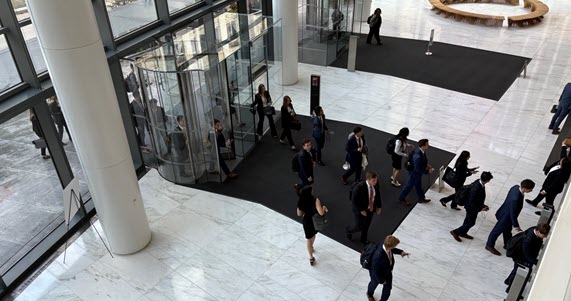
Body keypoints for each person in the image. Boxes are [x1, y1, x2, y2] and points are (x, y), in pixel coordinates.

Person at [485, 179, 535, 256]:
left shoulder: (515, 187)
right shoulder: (515, 199)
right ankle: (489, 245)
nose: (531, 191)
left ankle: (508, 244)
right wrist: (516, 226)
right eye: (530, 189)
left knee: (507, 231)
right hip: (506, 217)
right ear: (524, 188)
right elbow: (513, 213)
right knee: (496, 231)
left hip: (505, 212)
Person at [504, 223, 550, 293]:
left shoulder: (535, 228)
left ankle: (508, 281)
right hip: (520, 256)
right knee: (518, 272)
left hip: (522, 254)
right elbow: (527, 254)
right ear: (538, 232)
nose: (545, 237)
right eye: (544, 235)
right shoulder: (528, 240)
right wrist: (537, 262)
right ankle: (510, 289)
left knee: (516, 269)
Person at [450, 172, 493, 242]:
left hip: (473, 207)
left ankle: (463, 232)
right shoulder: (476, 189)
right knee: (471, 223)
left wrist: (482, 205)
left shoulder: (478, 182)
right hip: (471, 208)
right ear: (487, 180)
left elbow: (478, 198)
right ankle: (455, 232)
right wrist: (481, 208)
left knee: (467, 221)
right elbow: (472, 202)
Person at [367, 235, 410, 301]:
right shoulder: (378, 257)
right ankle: (369, 294)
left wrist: (401, 252)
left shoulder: (386, 244)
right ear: (389, 247)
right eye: (394, 246)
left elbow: (392, 250)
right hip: (377, 275)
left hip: (387, 271)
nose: (395, 247)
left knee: (388, 289)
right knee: (373, 284)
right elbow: (376, 271)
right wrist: (382, 281)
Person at [346, 171, 382, 244]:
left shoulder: (375, 184)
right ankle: (349, 230)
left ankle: (363, 239)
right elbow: (354, 201)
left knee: (367, 225)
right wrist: (361, 210)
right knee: (359, 226)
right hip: (360, 209)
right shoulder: (359, 187)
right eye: (373, 180)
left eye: (376, 180)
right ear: (368, 179)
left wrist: (379, 206)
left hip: (371, 208)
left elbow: (377, 195)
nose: (375, 182)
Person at [296, 186, 328, 266]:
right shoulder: (315, 200)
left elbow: (299, 214)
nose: (312, 191)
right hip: (315, 221)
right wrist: (323, 208)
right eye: (311, 190)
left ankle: (311, 257)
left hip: (307, 221)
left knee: (309, 238)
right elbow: (321, 213)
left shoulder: (301, 201)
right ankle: (311, 248)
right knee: (312, 237)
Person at [398, 139, 433, 206]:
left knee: (418, 185)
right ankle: (401, 198)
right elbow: (417, 169)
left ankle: (421, 198)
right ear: (423, 146)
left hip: (417, 173)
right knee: (408, 186)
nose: (428, 145)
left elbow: (422, 162)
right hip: (414, 173)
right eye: (427, 144)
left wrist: (426, 165)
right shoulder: (418, 156)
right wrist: (427, 171)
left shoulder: (421, 151)